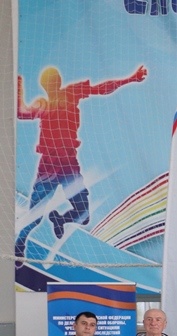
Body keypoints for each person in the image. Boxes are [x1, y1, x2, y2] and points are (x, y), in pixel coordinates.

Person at [15, 65, 147, 264]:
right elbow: (22, 113)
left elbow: (101, 88)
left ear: (59, 82)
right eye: (51, 81)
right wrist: (18, 86)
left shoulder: (71, 93)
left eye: (55, 80)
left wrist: (130, 79)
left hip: (69, 164)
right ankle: (20, 245)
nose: (54, 83)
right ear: (46, 85)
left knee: (83, 214)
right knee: (36, 214)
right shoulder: (44, 103)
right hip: (49, 165)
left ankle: (60, 219)